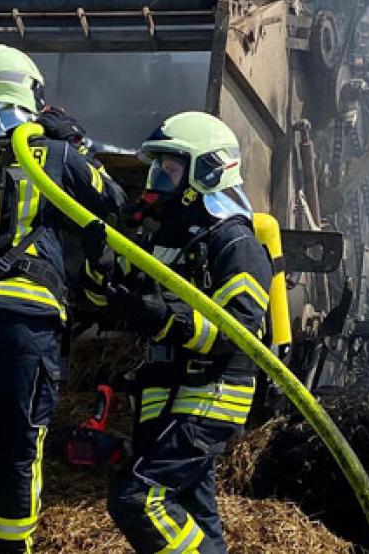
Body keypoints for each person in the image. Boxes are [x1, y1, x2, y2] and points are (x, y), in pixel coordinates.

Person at [0, 44, 125, 554]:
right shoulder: (54, 151)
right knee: (19, 442)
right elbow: (112, 204)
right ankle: (12, 549)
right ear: (32, 91)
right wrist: (78, 144)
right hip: (24, 317)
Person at [93, 111, 273, 553]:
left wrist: (161, 315)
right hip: (165, 396)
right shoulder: (164, 241)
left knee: (139, 497)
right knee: (193, 508)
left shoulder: (234, 244)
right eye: (157, 169)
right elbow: (120, 297)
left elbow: (241, 330)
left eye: (170, 170)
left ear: (206, 172)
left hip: (209, 395)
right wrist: (101, 267)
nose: (157, 181)